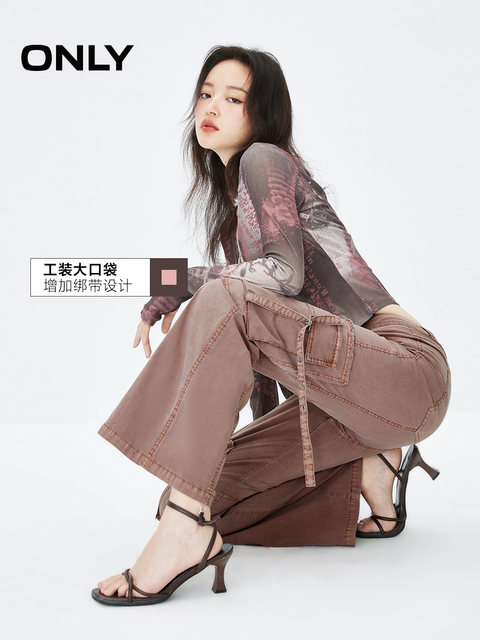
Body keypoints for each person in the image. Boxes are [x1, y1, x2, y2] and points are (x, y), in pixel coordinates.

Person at [91, 45, 451, 606]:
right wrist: (260, 453)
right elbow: (258, 362)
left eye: (234, 99)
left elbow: (283, 274)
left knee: (220, 299)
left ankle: (185, 529)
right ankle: (370, 463)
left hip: (403, 369)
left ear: (263, 114)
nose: (211, 107)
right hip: (344, 404)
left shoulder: (265, 159)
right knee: (214, 499)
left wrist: (178, 281)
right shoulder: (236, 222)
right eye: (205, 93)